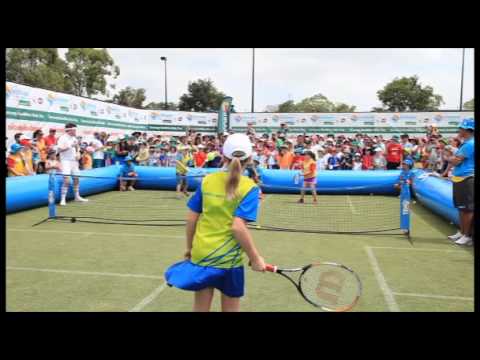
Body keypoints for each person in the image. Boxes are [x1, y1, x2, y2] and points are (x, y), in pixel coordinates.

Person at [164, 133, 266, 312]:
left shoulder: (207, 181)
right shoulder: (250, 187)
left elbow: (191, 219)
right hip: (229, 262)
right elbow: (238, 227)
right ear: (250, 158)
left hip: (202, 254)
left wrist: (190, 249)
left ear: (223, 156)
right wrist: (255, 258)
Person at [446, 118, 475, 246]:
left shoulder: (470, 144)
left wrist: (448, 158)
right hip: (460, 178)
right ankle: (462, 232)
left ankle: (467, 235)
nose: (459, 130)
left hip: (467, 178)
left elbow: (457, 161)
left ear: (467, 130)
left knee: (467, 209)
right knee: (461, 207)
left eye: (461, 128)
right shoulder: (466, 143)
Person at [57, 123, 88, 206]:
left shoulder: (74, 138)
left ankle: (77, 196)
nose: (76, 131)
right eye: (74, 130)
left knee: (76, 179)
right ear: (70, 130)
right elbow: (59, 150)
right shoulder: (62, 138)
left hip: (74, 161)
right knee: (66, 180)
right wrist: (70, 146)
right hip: (65, 161)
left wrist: (78, 153)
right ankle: (63, 199)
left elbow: (77, 147)